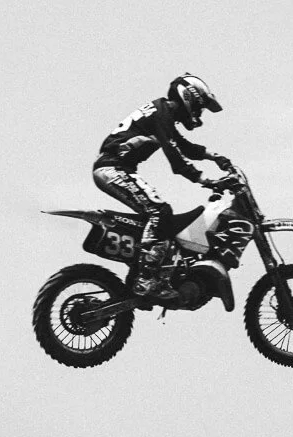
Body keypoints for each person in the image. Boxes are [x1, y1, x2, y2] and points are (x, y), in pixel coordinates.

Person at [93, 73, 232, 301]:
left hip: (117, 169)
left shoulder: (162, 113)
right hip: (113, 169)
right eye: (201, 106)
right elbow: (176, 159)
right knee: (159, 212)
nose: (199, 113)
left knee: (159, 215)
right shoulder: (162, 113)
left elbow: (183, 146)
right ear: (190, 97)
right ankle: (146, 279)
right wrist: (205, 180)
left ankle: (152, 271)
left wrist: (214, 157)